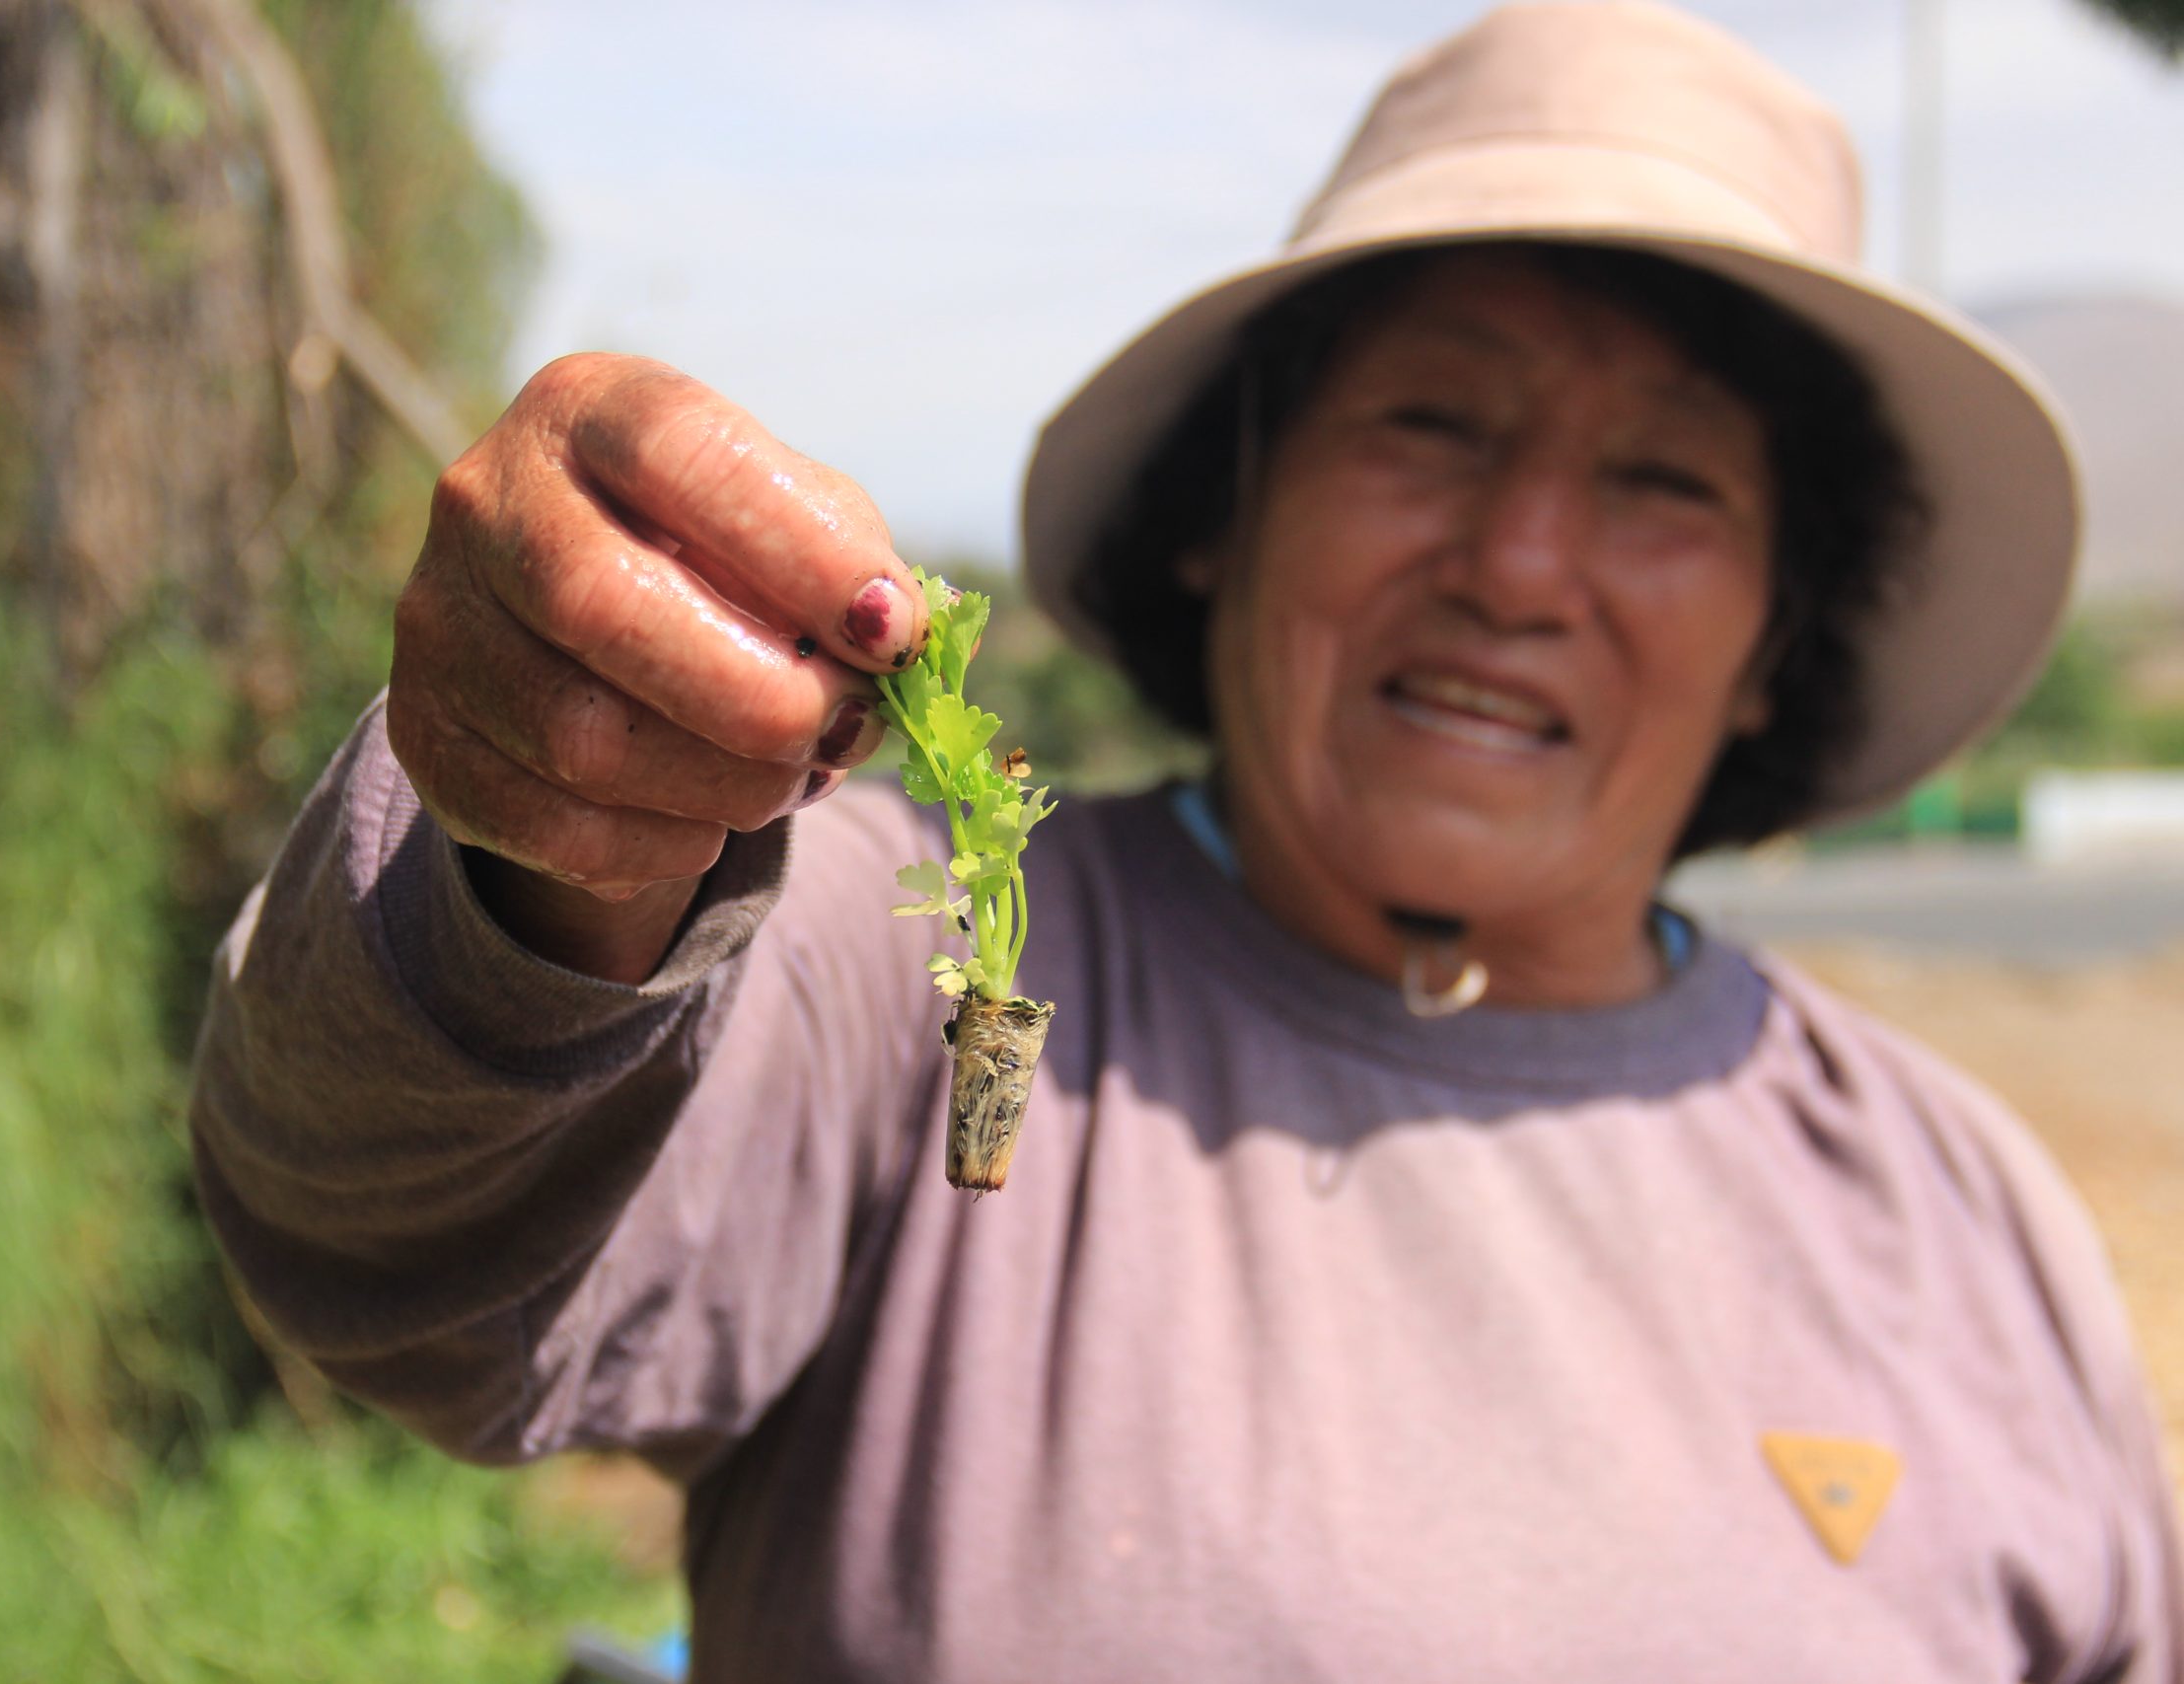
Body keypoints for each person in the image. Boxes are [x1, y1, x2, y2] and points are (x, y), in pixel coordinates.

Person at [188, 4, 2184, 1679]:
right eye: (1430, 426)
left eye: (1660, 481)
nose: (1517, 561)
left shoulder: (1958, 1207)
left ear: (1772, 641)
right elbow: (394, 1242)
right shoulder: (912, 959)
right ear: (1223, 506)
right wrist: (556, 827)